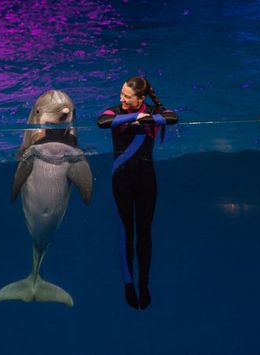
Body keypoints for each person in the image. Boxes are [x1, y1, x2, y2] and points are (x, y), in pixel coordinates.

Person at [97, 76, 178, 309]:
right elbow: (102, 122)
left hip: (146, 180)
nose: (121, 98)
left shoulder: (153, 110)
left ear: (140, 98)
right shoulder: (115, 111)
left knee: (144, 233)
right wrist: (135, 117)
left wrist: (148, 118)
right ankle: (128, 283)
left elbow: (172, 117)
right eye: (121, 93)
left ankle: (144, 283)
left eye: (126, 96)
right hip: (121, 179)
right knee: (126, 232)